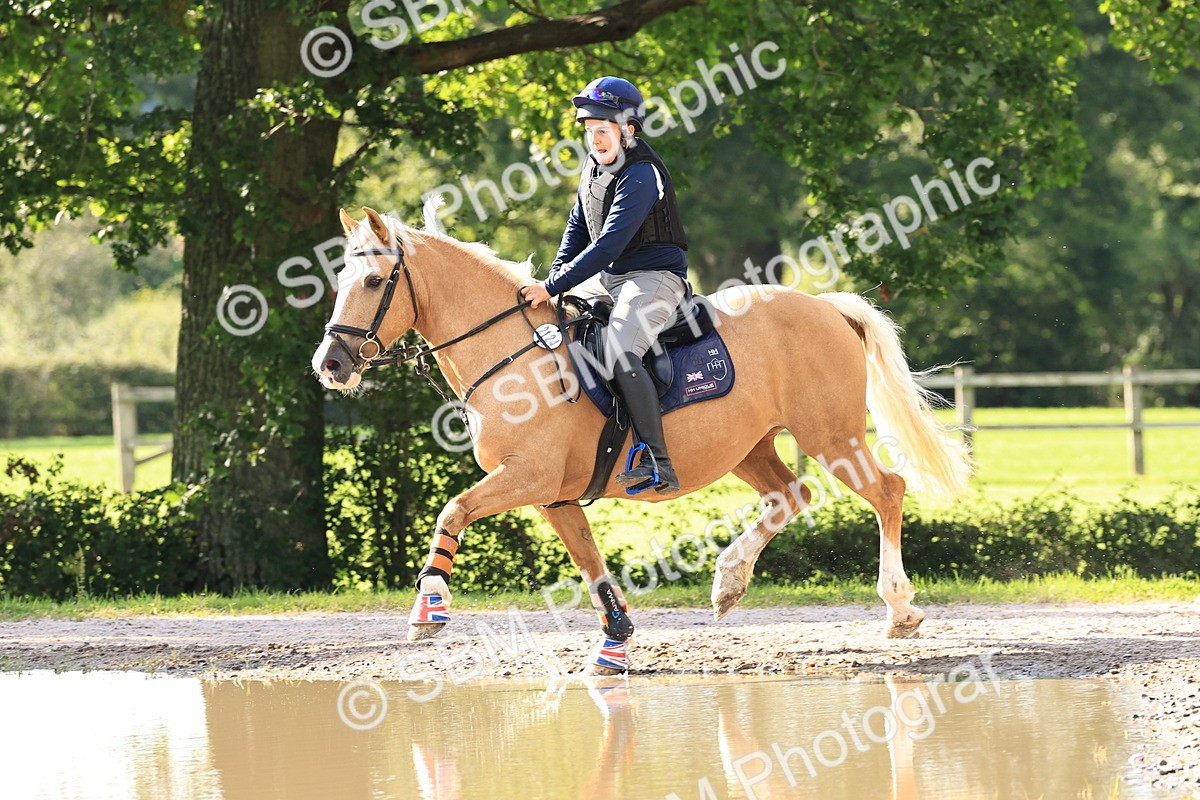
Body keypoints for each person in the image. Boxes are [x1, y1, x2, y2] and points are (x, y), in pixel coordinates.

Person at [521, 76, 689, 494]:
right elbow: (578, 225)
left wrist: (553, 283)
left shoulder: (642, 175)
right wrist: (557, 275)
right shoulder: (594, 166)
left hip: (654, 278)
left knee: (618, 350)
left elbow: (609, 243)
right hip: (611, 279)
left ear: (629, 129)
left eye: (603, 130)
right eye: (589, 131)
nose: (594, 140)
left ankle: (659, 461)